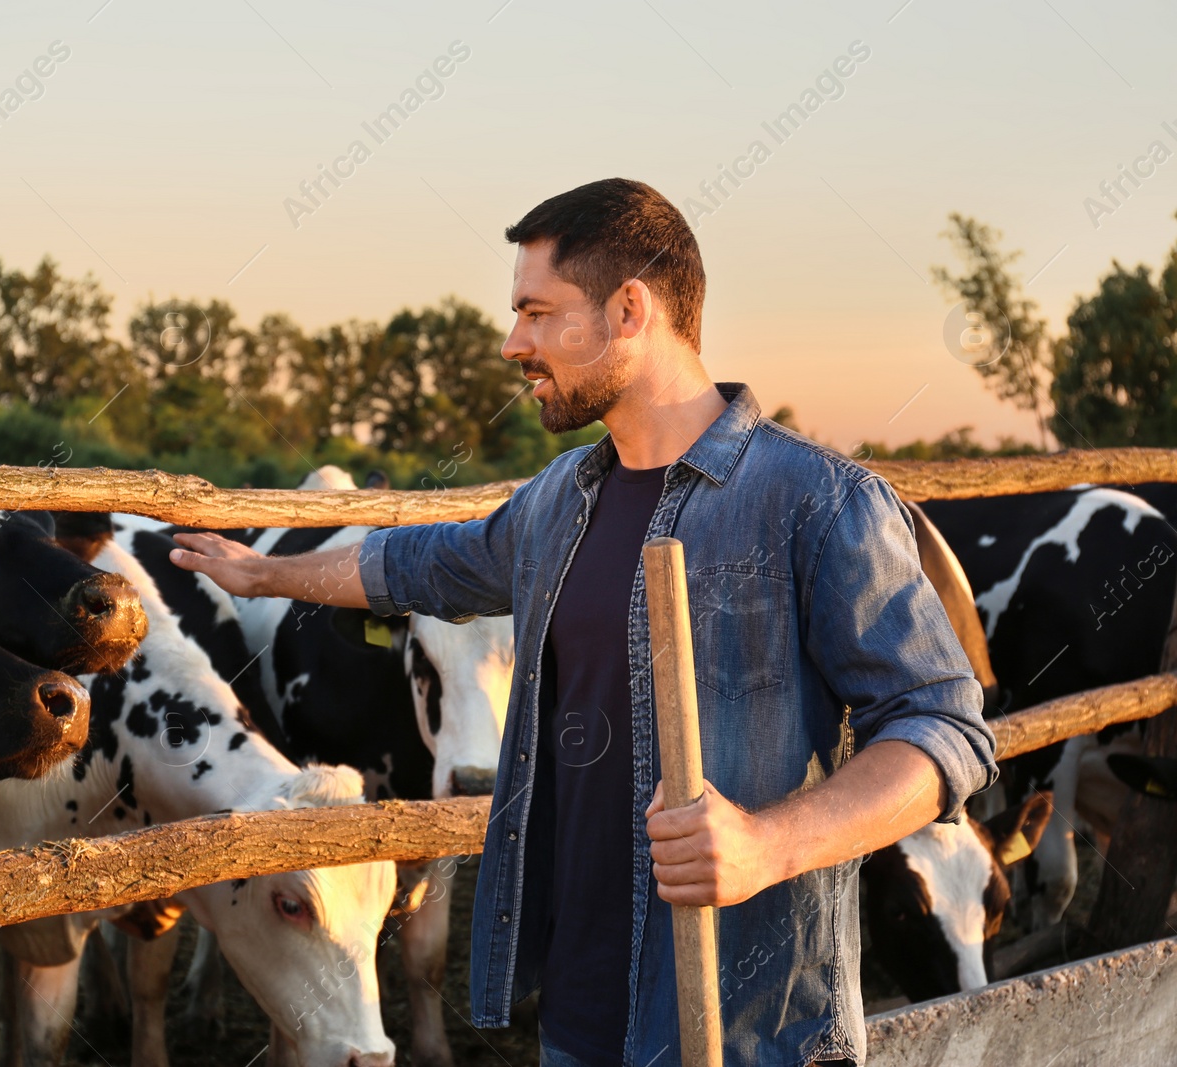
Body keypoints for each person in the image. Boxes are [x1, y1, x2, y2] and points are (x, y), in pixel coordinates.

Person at [169, 178, 997, 1067]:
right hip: (575, 1018)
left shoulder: (818, 503)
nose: (511, 342)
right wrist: (264, 572)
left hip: (747, 1031)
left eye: (536, 311)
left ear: (629, 310)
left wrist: (766, 844)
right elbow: (416, 565)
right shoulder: (560, 498)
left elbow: (945, 728)